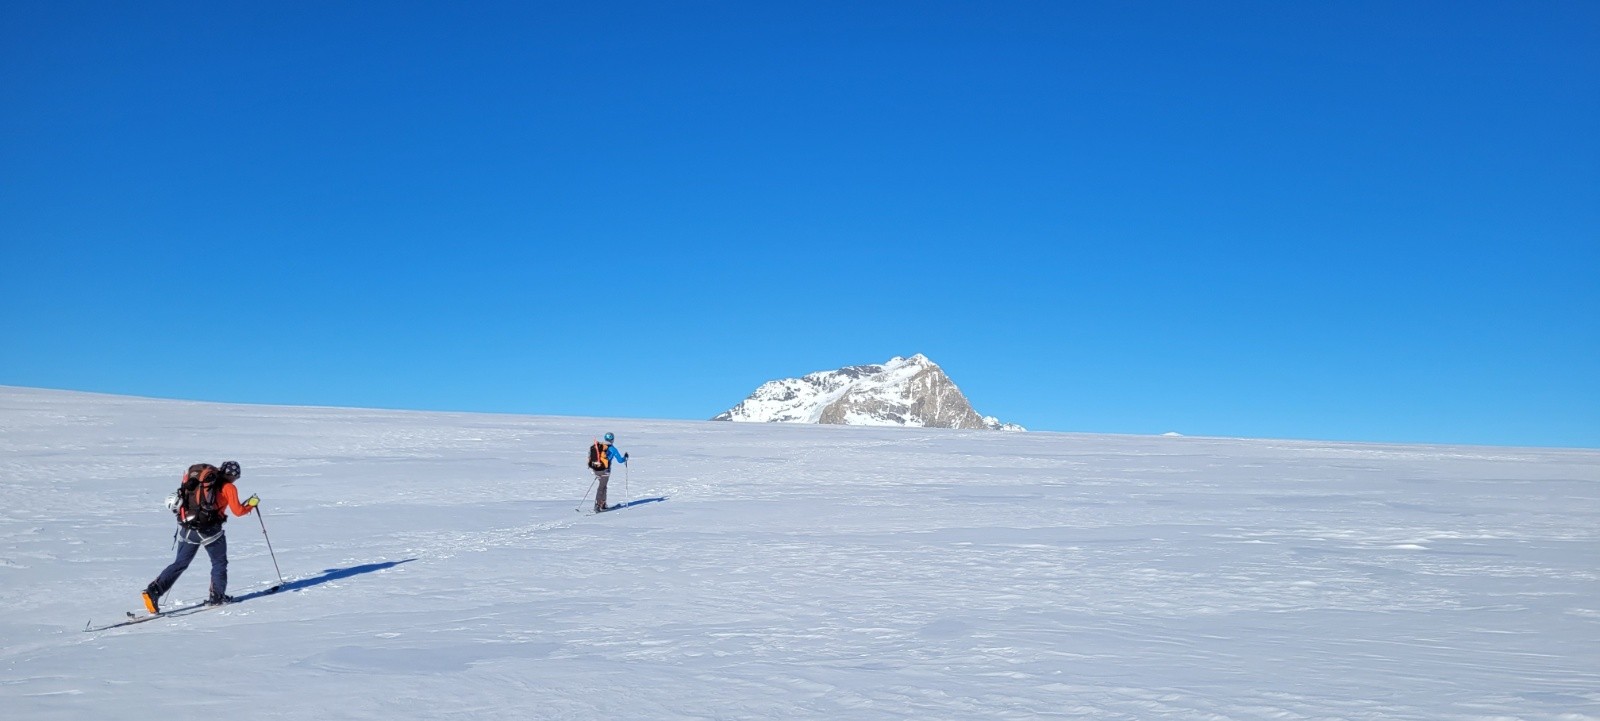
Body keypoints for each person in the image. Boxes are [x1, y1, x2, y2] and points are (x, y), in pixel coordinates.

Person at [141, 460, 259, 612]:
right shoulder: (229, 487)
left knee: (180, 563)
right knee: (219, 563)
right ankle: (217, 597)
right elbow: (238, 511)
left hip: (188, 526)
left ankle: (153, 591)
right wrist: (252, 504)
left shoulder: (205, 481)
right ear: (234, 476)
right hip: (210, 531)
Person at [587, 432, 628, 513]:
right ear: (612, 439)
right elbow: (620, 460)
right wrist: (625, 458)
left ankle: (603, 504)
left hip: (596, 470)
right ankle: (598, 505)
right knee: (602, 487)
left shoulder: (600, 446)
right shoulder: (613, 449)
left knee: (603, 486)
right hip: (605, 471)